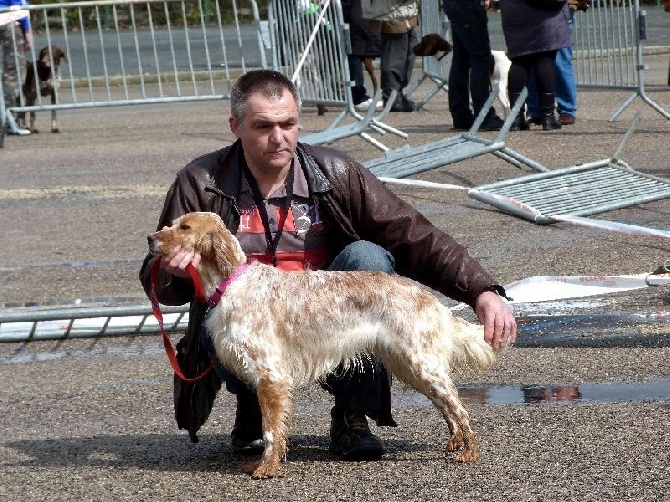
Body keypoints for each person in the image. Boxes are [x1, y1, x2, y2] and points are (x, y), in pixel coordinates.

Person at [139, 69, 517, 461]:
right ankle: (254, 410)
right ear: (236, 126)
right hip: (241, 316)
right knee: (228, 323)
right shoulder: (201, 181)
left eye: (287, 124)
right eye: (263, 126)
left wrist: (481, 291)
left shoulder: (334, 171)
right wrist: (175, 274)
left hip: (325, 314)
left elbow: (411, 232)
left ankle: (352, 414)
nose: (278, 137)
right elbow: (155, 278)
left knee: (367, 258)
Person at [500, 0, 573, 131]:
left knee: (519, 60)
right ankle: (548, 117)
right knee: (544, 59)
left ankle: (516, 118)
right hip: (544, 14)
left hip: (514, 11)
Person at [442, 0, 505, 131]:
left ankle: (461, 116)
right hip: (469, 6)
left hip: (452, 6)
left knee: (460, 61)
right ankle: (484, 115)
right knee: (480, 59)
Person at [526, 0, 589, 126]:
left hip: (560, 9)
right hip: (533, 10)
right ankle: (536, 110)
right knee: (532, 60)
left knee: (560, 61)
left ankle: (566, 110)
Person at [362, 0, 418, 112]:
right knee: (393, 61)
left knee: (408, 58)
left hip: (404, 14)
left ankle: (397, 93)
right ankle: (391, 97)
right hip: (391, 15)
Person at [342, 0, 381, 111]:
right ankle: (358, 97)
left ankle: (358, 95)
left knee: (357, 56)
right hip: (356, 20)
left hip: (360, 18)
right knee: (355, 57)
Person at [0, 0, 32, 135]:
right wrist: (27, 30)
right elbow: (18, 6)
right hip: (8, 22)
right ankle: (7, 121)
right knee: (13, 73)